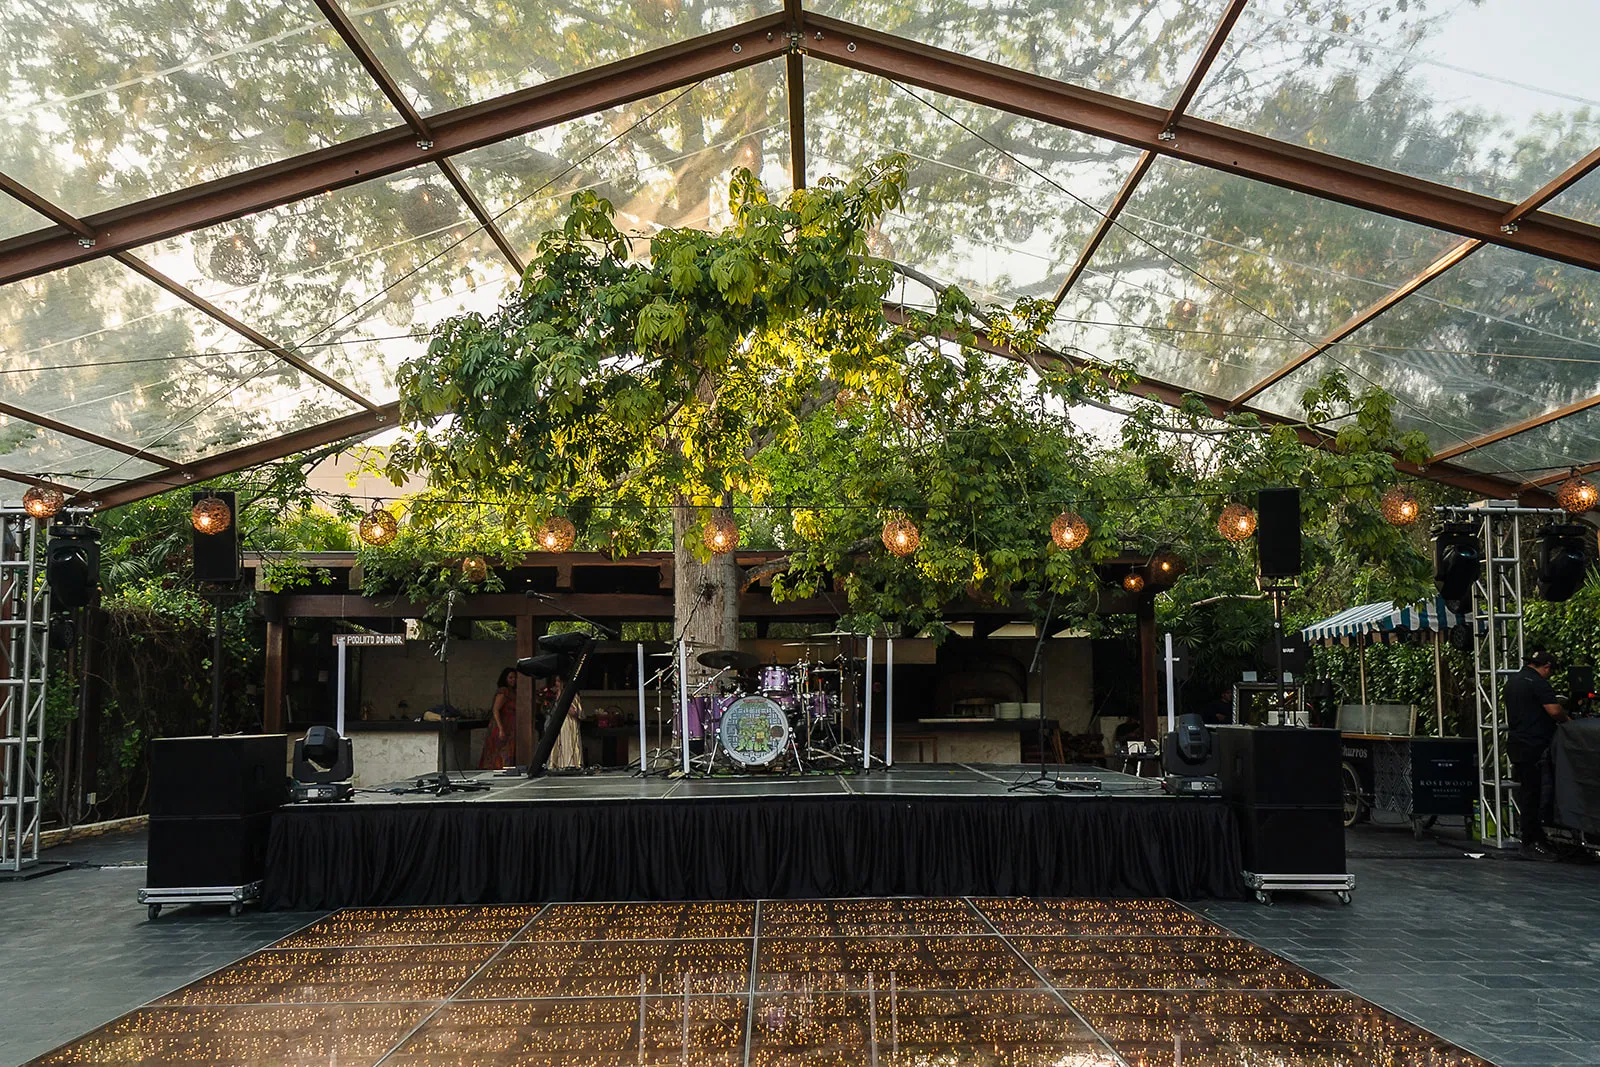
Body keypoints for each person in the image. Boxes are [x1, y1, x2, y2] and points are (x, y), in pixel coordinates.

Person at [1504, 649, 1570, 858]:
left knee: (1527, 792)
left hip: (1517, 742)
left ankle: (1532, 837)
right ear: (1547, 666)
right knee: (1535, 794)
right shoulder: (1538, 683)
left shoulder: (1513, 681)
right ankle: (1531, 840)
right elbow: (1554, 710)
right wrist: (1568, 721)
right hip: (1534, 744)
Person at [478, 667, 517, 769]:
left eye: (515, 678)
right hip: (501, 726)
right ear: (505, 679)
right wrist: (501, 729)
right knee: (500, 752)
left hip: (510, 728)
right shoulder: (503, 692)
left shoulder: (514, 692)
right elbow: (496, 710)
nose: (513, 680)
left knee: (509, 752)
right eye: (510, 677)